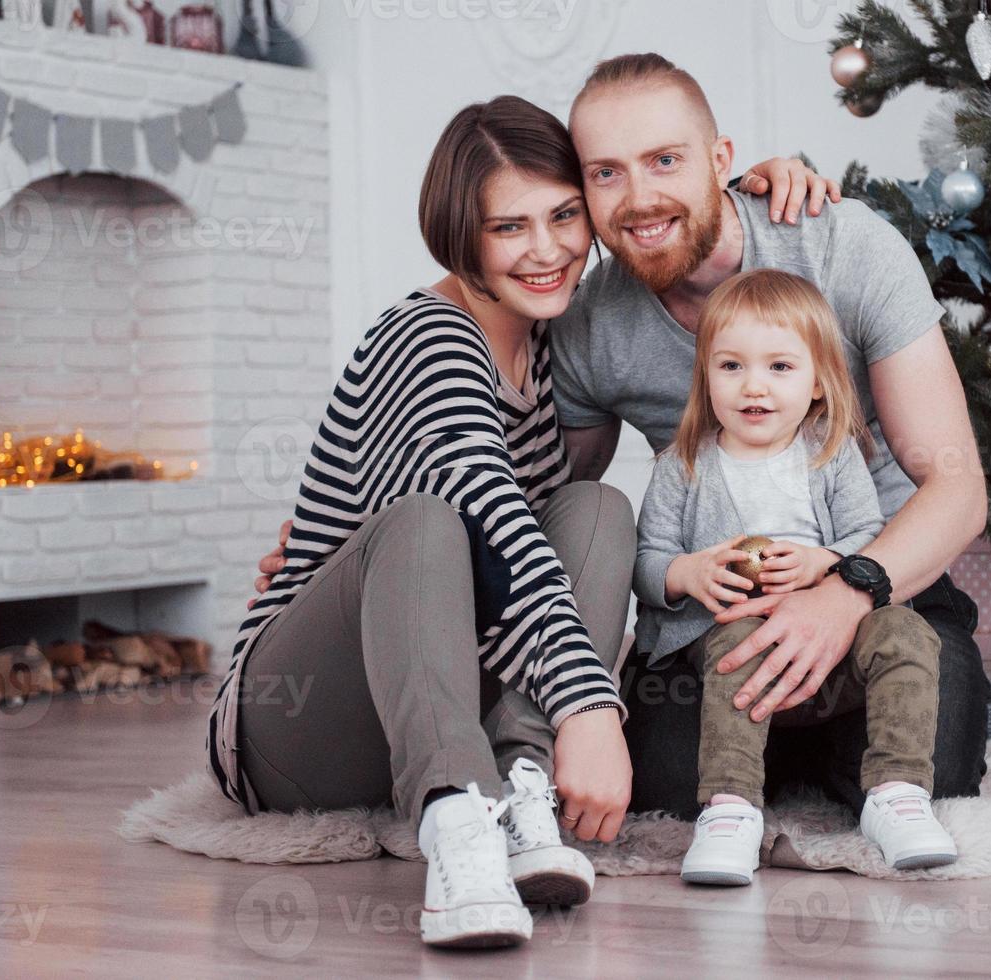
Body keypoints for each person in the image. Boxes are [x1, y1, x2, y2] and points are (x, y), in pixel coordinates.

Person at [219, 94, 838, 948]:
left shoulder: (553, 339)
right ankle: (456, 827)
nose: (547, 252)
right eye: (509, 229)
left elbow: (555, 534)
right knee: (435, 522)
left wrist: (755, 186)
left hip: (432, 690)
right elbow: (484, 519)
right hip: (294, 726)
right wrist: (590, 705)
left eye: (563, 216)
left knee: (596, 508)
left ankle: (520, 786)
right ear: (460, 235)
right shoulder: (427, 340)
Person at [552, 54, 991, 818]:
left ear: (722, 161)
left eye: (665, 160)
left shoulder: (842, 246)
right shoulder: (589, 320)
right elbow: (556, 503)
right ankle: (767, 752)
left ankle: (802, 750)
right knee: (660, 795)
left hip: (882, 586)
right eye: (607, 173)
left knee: (929, 772)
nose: (641, 198)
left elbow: (957, 488)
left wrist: (845, 593)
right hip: (708, 625)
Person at [636, 269, 957, 886]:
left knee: (908, 637)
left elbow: (868, 534)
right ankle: (730, 809)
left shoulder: (829, 451)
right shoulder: (682, 462)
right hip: (732, 634)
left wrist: (825, 563)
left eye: (779, 367)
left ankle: (897, 795)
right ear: (707, 376)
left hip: (831, 635)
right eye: (731, 366)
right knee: (738, 645)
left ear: (817, 382)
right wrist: (687, 572)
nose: (753, 385)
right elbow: (648, 560)